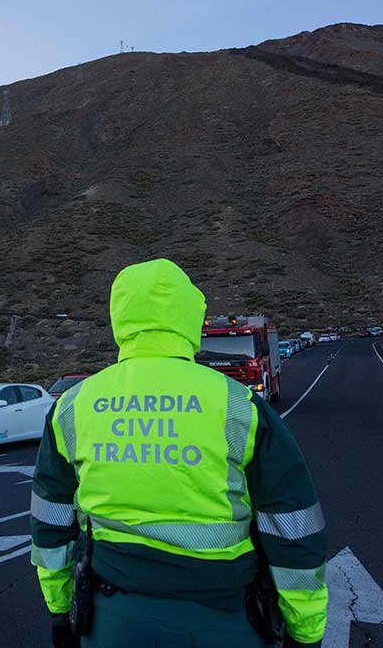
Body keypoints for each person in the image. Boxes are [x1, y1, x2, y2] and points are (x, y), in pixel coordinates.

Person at [30, 259, 327, 648]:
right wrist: (306, 630)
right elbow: (292, 526)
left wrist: (59, 609)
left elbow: (50, 523)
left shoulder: (73, 406)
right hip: (224, 619)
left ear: (120, 316)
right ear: (190, 315)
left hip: (111, 620)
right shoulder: (239, 405)